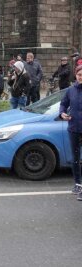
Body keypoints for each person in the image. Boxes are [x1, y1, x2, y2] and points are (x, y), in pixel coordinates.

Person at [60, 65, 82, 200]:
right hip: (74, 128)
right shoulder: (70, 90)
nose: (81, 77)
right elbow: (63, 104)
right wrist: (62, 113)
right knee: (75, 158)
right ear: (76, 75)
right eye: (79, 75)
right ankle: (78, 184)